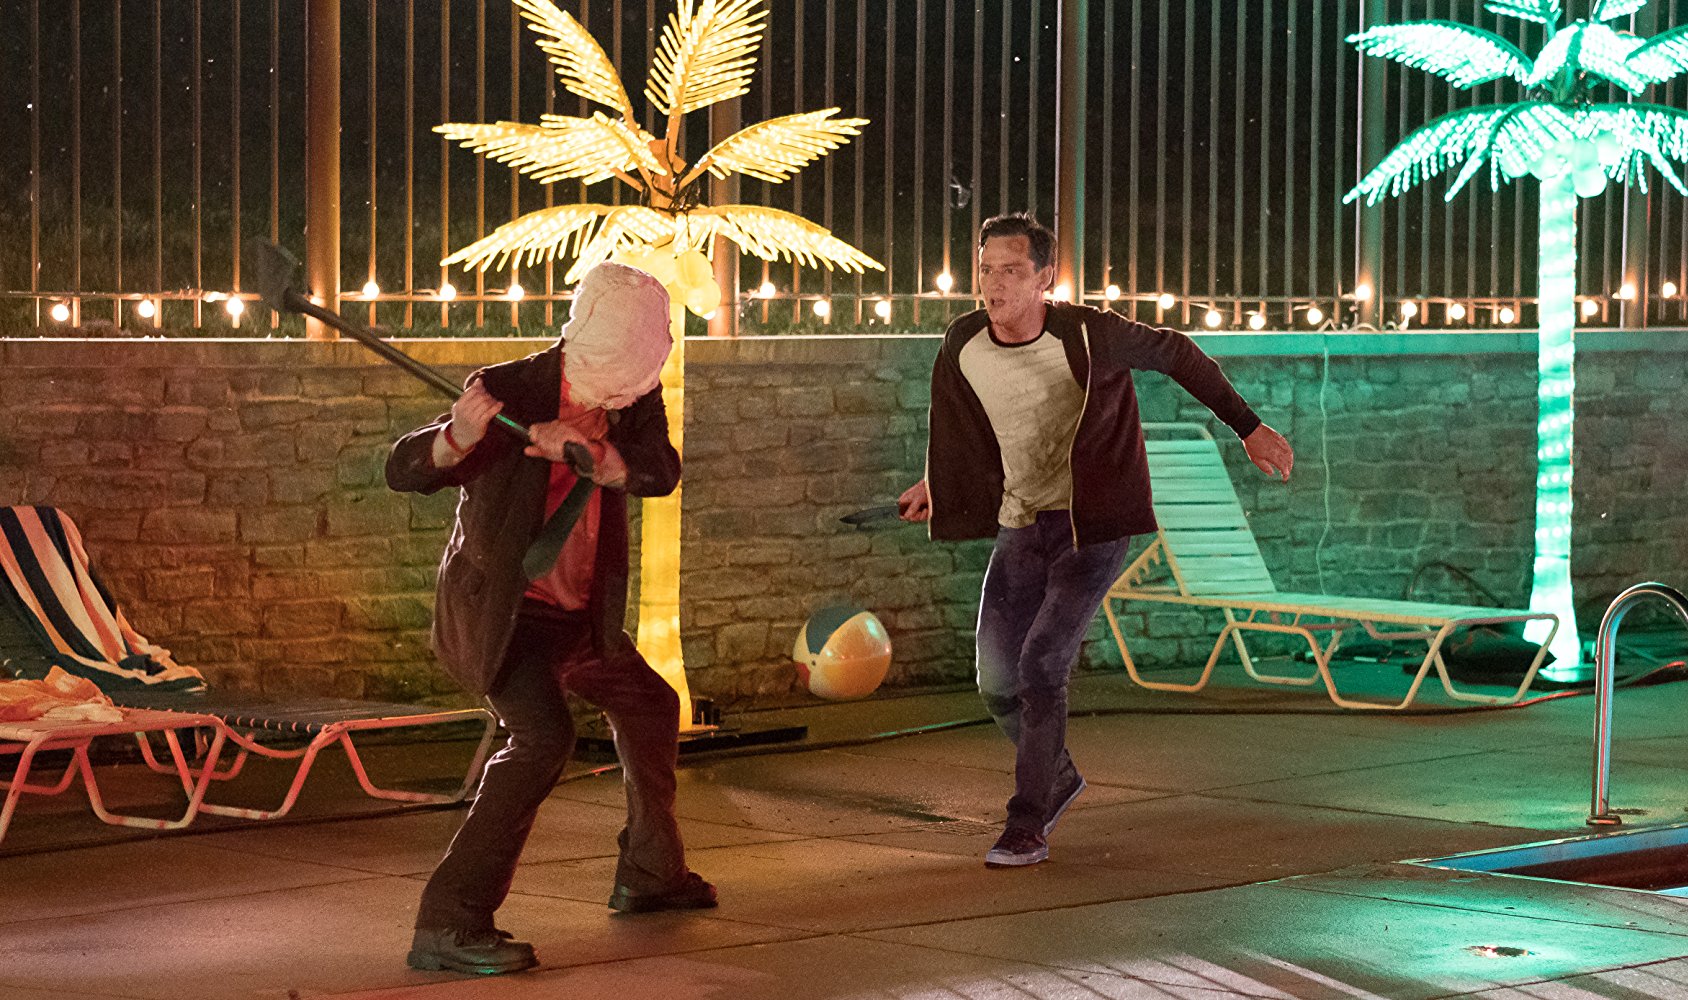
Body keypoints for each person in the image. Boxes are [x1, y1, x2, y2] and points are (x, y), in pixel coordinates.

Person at [898, 213, 1293, 869]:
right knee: (996, 682)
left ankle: (1027, 823)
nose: (995, 285)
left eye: (1012, 271)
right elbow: (969, 426)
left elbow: (1178, 353)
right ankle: (1054, 776)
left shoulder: (1089, 334)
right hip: (1021, 525)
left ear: (1044, 279)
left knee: (1041, 667)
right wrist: (938, 481)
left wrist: (1247, 427)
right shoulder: (963, 342)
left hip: (1091, 526)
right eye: (987, 270)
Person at [386, 261, 715, 977]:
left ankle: (651, 875)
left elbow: (659, 469)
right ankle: (450, 920)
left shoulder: (633, 399)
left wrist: (599, 456)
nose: (622, 389)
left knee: (651, 704)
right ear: (581, 339)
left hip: (580, 618)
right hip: (506, 617)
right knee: (543, 737)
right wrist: (456, 438)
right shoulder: (510, 389)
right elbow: (405, 468)